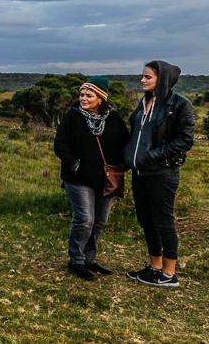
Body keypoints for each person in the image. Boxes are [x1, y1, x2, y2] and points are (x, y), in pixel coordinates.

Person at [124, 60, 195, 287]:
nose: (142, 80)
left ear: (162, 79)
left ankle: (168, 273)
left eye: (148, 77)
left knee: (163, 220)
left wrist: (152, 156)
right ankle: (155, 266)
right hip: (139, 172)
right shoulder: (144, 101)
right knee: (146, 219)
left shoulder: (180, 105)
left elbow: (185, 140)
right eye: (143, 76)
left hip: (162, 172)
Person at [53, 76, 129, 280]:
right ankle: (75, 261)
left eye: (89, 95)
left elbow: (125, 143)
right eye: (81, 95)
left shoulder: (114, 118)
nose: (83, 98)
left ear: (101, 98)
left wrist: (124, 165)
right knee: (85, 219)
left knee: (100, 221)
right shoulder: (73, 116)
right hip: (78, 178)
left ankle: (89, 259)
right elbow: (60, 144)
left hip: (107, 178)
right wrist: (75, 164)